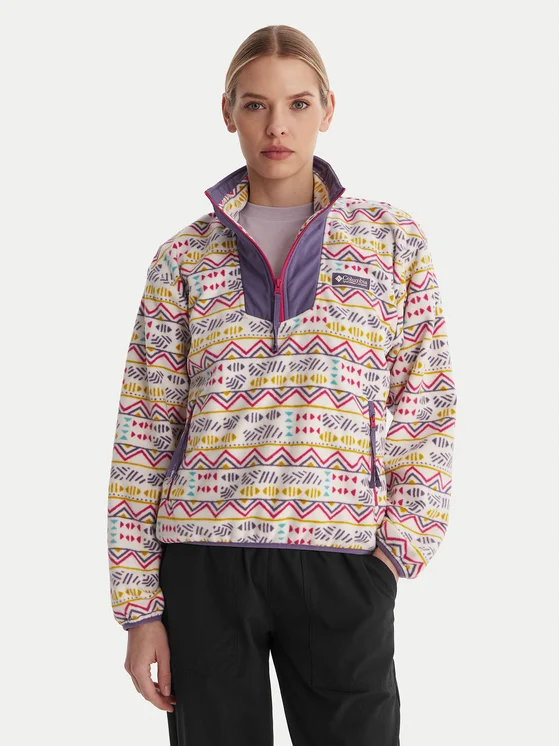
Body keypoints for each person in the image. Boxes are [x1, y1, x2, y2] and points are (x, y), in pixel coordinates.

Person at [107, 24, 458, 746]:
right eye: (256, 104)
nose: (277, 126)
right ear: (227, 112)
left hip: (343, 561)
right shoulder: (182, 259)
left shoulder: (392, 242)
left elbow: (425, 403)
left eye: (298, 103)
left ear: (328, 108)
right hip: (204, 564)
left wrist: (399, 548)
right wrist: (140, 609)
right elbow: (144, 431)